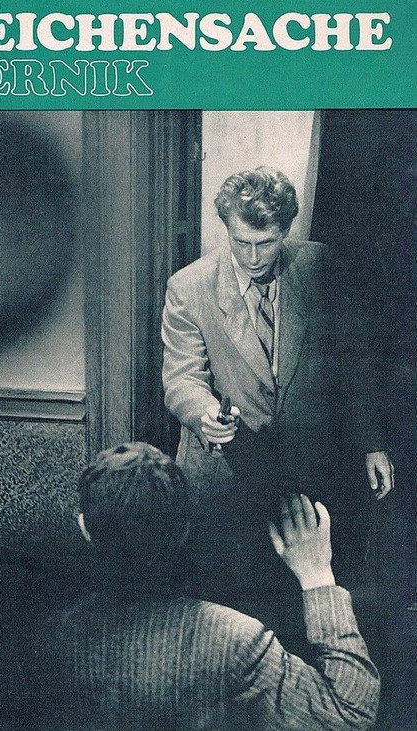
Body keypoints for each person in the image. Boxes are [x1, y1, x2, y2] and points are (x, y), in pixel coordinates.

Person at [0, 444, 380, 730]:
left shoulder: (45, 636)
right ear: (185, 528)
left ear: (85, 529)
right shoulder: (238, 640)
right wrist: (317, 577)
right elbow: (349, 714)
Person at [162, 167, 394, 593]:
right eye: (241, 242)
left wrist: (370, 442)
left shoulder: (320, 266)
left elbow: (351, 366)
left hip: (307, 473)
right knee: (230, 602)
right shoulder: (188, 287)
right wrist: (206, 415)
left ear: (285, 231)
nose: (252, 257)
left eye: (266, 243)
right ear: (227, 229)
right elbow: (182, 377)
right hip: (227, 477)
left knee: (302, 596)